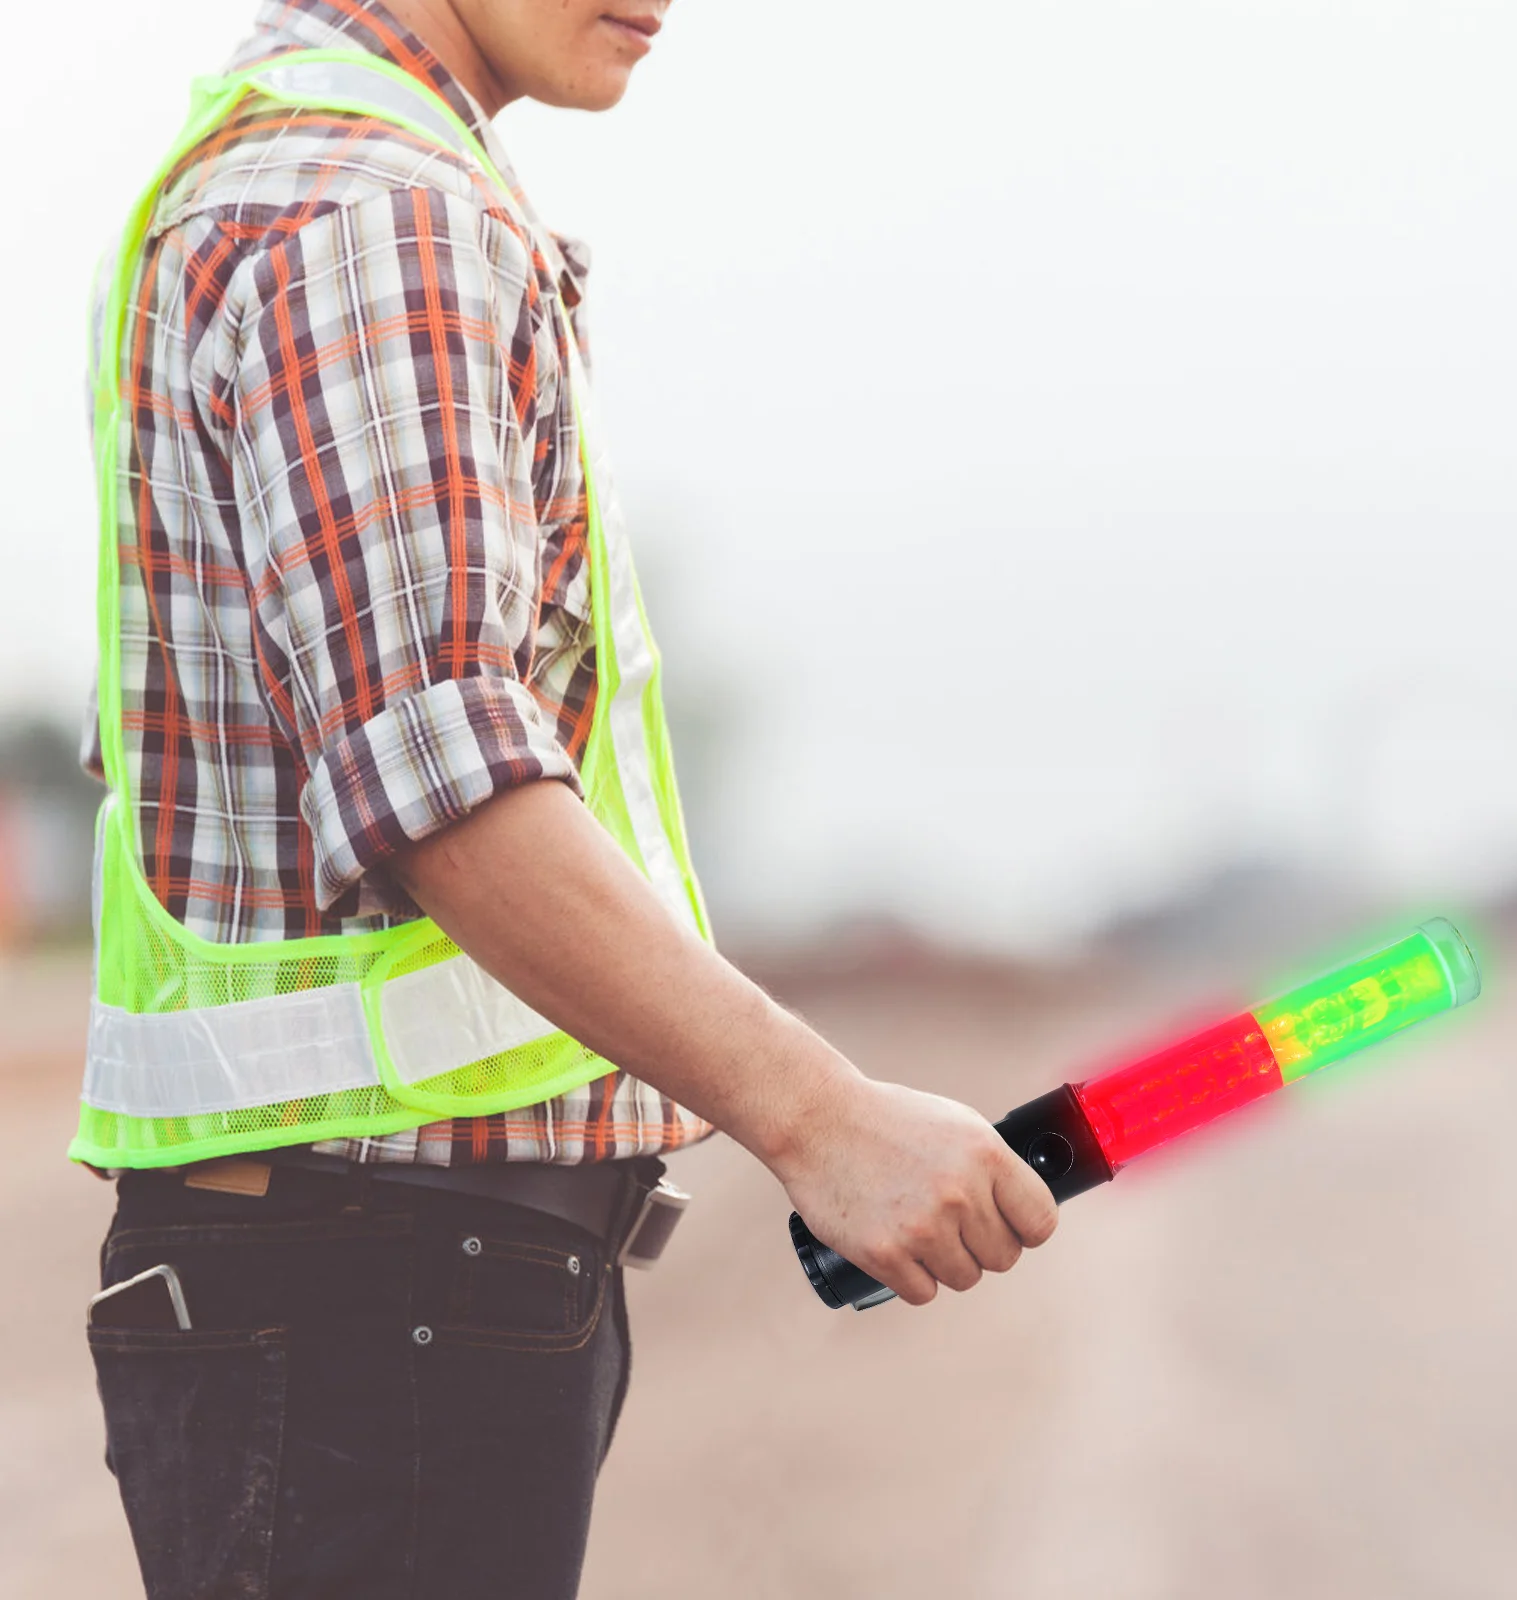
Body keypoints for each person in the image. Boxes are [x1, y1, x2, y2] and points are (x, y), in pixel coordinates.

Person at [78, 2, 1058, 1595]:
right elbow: (444, 785)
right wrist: (821, 1120)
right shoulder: (369, 216)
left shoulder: (308, 176)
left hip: (360, 1284)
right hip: (374, 1300)